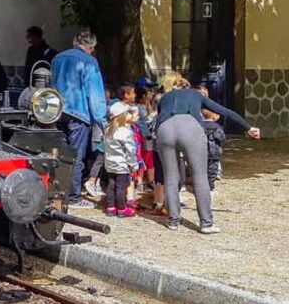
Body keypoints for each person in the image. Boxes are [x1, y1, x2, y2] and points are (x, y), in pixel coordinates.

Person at [154, 83, 260, 232]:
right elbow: (225, 112)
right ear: (190, 87)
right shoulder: (197, 95)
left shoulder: (165, 97)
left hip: (164, 129)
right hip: (190, 127)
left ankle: (173, 221)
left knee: (170, 177)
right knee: (200, 176)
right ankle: (206, 223)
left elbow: (159, 115)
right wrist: (248, 127)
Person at [51, 29, 109, 208]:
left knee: (57, 154)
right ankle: (74, 196)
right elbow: (95, 92)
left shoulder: (57, 58)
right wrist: (102, 120)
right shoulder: (89, 61)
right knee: (76, 156)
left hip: (56, 110)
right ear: (90, 45)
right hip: (79, 112)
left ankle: (55, 191)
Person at [104, 101, 138, 217]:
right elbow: (130, 151)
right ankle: (122, 209)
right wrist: (134, 165)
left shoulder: (107, 130)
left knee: (111, 185)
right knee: (120, 187)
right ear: (123, 116)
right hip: (122, 165)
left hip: (109, 163)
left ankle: (110, 207)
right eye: (128, 112)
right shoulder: (126, 132)